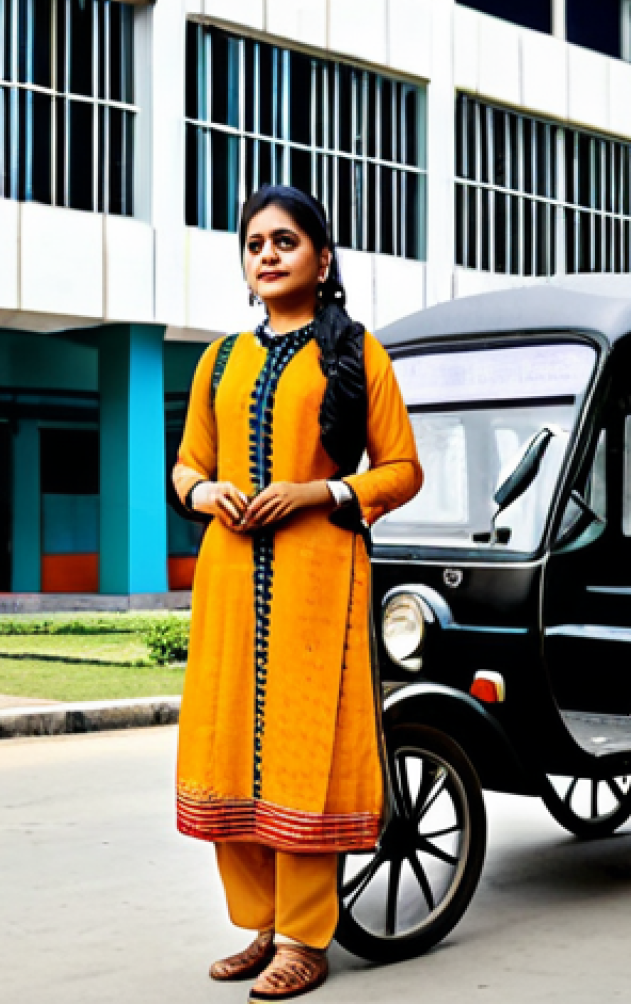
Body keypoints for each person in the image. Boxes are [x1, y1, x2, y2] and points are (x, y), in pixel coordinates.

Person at [172, 185, 423, 1002]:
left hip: (320, 573)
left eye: (285, 241)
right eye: (255, 245)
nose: (268, 255)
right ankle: (261, 924)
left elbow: (402, 469)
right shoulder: (219, 361)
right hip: (230, 575)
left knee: (303, 746)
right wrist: (206, 493)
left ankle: (305, 938)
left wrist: (319, 493)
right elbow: (188, 464)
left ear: (321, 259)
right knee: (230, 742)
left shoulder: (356, 353)